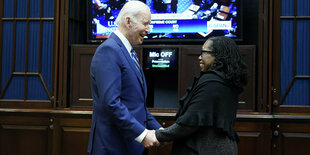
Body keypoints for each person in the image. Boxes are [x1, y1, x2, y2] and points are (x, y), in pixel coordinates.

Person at [87, 1, 162, 155]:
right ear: (128, 21)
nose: (148, 29)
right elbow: (112, 103)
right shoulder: (109, 50)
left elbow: (135, 104)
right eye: (145, 23)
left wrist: (159, 131)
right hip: (114, 147)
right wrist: (142, 134)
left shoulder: (129, 52)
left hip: (130, 147)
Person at [155, 36, 248, 155]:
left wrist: (159, 135)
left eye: (203, 52)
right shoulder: (226, 81)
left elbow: (190, 123)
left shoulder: (212, 82)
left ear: (217, 55)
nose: (199, 57)